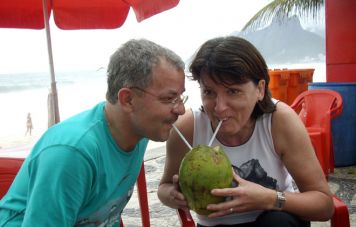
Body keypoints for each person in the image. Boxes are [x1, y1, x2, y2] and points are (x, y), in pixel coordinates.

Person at [0, 39, 186, 226]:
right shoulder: (72, 153)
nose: (181, 110)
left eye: (180, 97)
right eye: (169, 99)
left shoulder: (139, 133)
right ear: (128, 100)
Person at [157, 36, 334, 227]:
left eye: (233, 91)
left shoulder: (279, 122)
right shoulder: (188, 128)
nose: (220, 107)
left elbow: (324, 205)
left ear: (260, 89)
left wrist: (269, 198)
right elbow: (164, 188)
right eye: (209, 92)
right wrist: (174, 195)